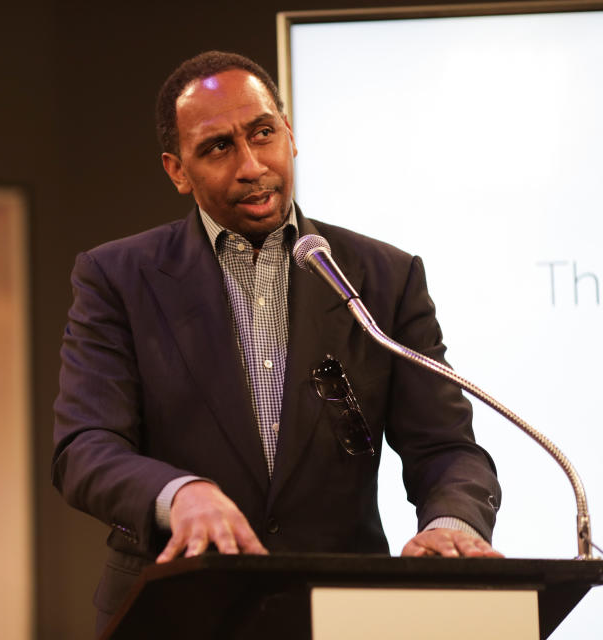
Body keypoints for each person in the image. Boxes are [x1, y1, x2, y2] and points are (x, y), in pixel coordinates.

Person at [52, 50, 502, 634]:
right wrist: (178, 493)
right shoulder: (116, 278)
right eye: (218, 147)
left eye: (263, 134)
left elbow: (446, 449)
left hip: (341, 610)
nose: (251, 165)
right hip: (174, 610)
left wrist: (451, 524)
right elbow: (84, 446)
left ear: (289, 135)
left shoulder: (384, 278)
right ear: (176, 170)